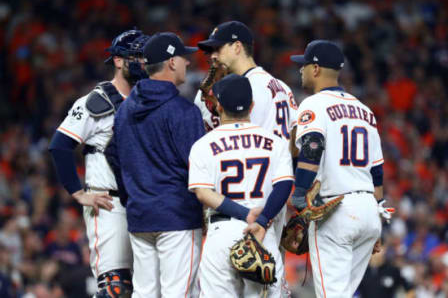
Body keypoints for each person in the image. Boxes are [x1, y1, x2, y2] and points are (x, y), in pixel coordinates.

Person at [197, 21, 298, 293]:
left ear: (238, 46)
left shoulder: (249, 89)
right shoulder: (283, 88)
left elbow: (243, 146)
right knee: (269, 286)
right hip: (273, 201)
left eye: (218, 49)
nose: (212, 56)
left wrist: (210, 118)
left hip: (247, 206)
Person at [48, 29, 150, 297]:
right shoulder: (97, 101)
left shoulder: (150, 100)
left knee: (149, 287)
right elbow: (60, 145)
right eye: (136, 56)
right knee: (115, 287)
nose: (143, 62)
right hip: (109, 204)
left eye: (145, 56)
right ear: (118, 60)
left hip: (146, 203)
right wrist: (78, 193)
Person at [289, 40, 393, 298]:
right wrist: (378, 221)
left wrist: (300, 193)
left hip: (335, 211)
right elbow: (377, 173)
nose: (300, 70)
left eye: (303, 65)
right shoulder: (365, 111)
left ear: (315, 69)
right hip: (368, 211)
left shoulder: (314, 103)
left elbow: (313, 146)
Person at [112, 32, 205, 298]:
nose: (188, 63)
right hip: (177, 216)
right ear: (171, 62)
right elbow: (199, 170)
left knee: (144, 294)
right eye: (183, 58)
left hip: (140, 215)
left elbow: (115, 158)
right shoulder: (183, 111)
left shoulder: (125, 109)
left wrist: (133, 199)